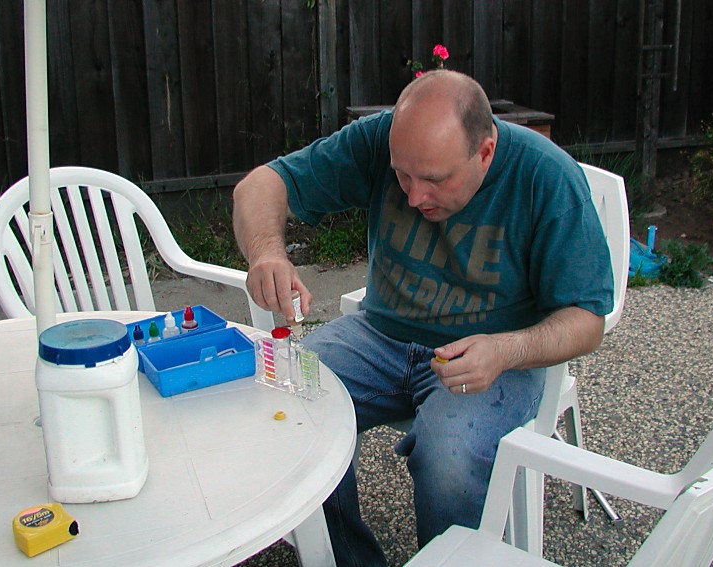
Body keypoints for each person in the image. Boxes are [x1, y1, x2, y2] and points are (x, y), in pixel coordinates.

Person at [233, 70, 613, 566]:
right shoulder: (382, 138)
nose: (413, 197)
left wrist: (506, 350)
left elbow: (587, 319)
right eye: (402, 176)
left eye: (433, 180)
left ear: (485, 152)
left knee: (448, 459)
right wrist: (266, 252)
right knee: (287, 400)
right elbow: (261, 184)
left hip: (493, 357)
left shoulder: (546, 177)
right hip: (379, 335)